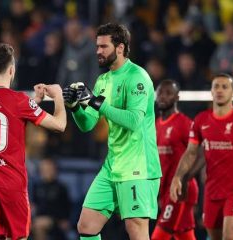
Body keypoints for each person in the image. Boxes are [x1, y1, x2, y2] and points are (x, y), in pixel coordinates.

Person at [63, 22, 162, 240]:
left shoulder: (138, 77)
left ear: (120, 48)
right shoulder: (103, 81)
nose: (98, 51)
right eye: (97, 46)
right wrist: (75, 108)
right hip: (113, 165)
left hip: (138, 167)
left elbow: (135, 121)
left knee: (136, 230)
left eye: (103, 47)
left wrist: (96, 102)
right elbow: (88, 124)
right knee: (86, 225)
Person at [0, 43, 66, 240]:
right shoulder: (19, 101)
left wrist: (32, 103)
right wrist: (58, 97)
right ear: (12, 70)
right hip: (10, 185)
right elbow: (59, 125)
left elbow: (1, 111)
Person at [170, 73, 233, 240]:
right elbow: (191, 153)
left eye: (225, 87)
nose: (219, 90)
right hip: (212, 190)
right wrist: (179, 177)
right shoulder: (201, 120)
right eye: (216, 86)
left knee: (229, 236)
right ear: (211, 91)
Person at [151, 80, 199, 240]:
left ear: (177, 97)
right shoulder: (155, 125)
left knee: (160, 234)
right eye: (160, 93)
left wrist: (185, 179)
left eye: (168, 93)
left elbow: (199, 153)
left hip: (180, 190)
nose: (163, 97)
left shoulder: (185, 123)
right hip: (165, 190)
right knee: (184, 234)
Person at [31, 158, 71, 240]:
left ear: (55, 170)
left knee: (39, 226)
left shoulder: (61, 188)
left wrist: (62, 220)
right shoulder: (37, 186)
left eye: (49, 169)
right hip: (38, 218)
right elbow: (33, 205)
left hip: (55, 220)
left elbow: (66, 208)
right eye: (44, 169)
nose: (46, 172)